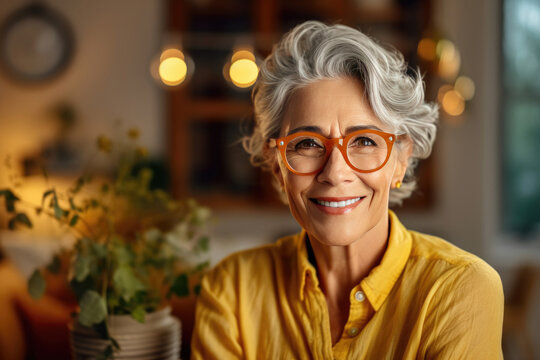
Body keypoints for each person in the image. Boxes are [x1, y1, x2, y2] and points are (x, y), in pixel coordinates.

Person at [191, 21, 504, 359]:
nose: (335, 173)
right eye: (308, 143)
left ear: (401, 159)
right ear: (277, 164)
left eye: (365, 141)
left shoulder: (459, 288)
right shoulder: (232, 289)